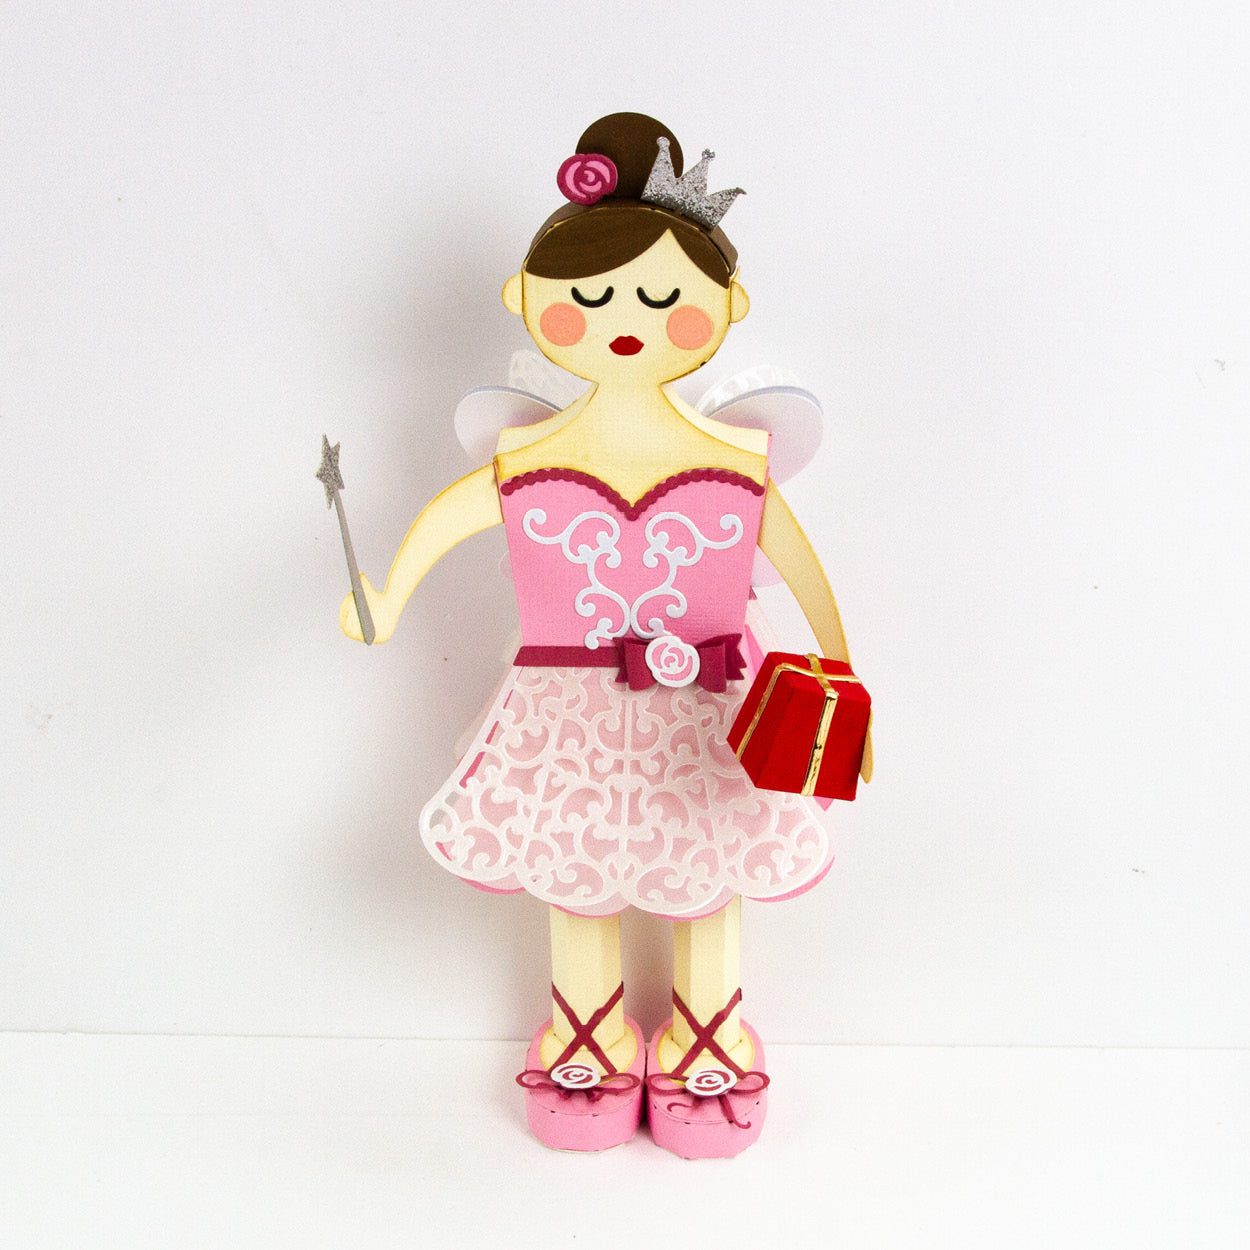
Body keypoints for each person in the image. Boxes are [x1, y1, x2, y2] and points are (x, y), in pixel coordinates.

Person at [339, 112, 870, 1158]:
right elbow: (451, 518)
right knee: (572, 861)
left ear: (726, 308)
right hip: (565, 703)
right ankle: (585, 1028)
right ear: (526, 302)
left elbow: (801, 566)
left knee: (708, 857)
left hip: (713, 705)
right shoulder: (526, 460)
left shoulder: (738, 462)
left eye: (661, 299)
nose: (624, 320)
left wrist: (838, 674)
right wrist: (386, 598)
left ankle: (707, 1030)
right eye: (587, 298)